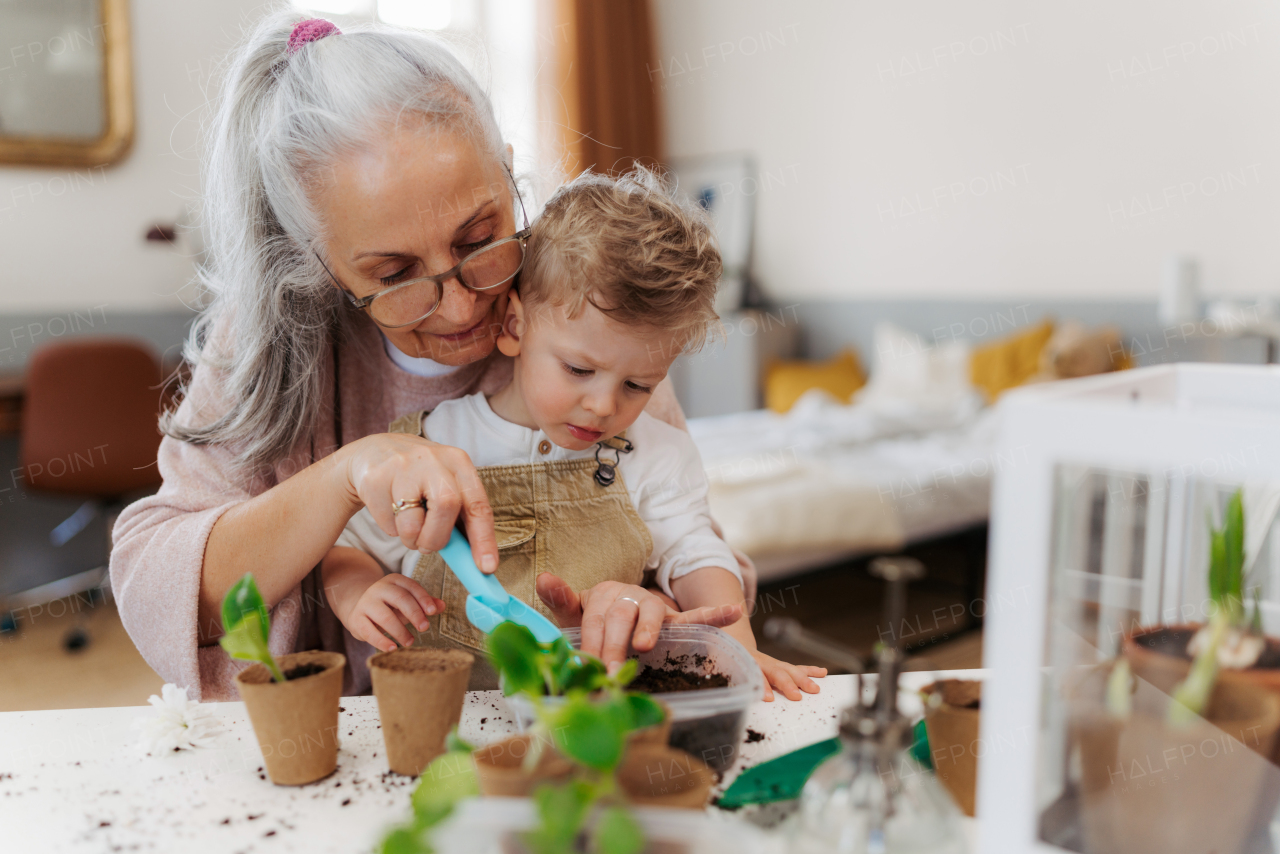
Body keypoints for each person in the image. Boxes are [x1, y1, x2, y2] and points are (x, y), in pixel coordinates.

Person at [109, 12, 756, 701]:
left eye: (480, 238)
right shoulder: (264, 340)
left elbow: (688, 565)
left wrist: (643, 607)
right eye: (393, 276)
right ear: (319, 266)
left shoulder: (587, 316)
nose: (461, 308)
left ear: (509, 176)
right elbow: (164, 585)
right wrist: (346, 478)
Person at [324, 169, 827, 699]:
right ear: (516, 327)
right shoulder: (432, 447)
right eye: (579, 371)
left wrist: (737, 648)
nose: (605, 405)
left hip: (599, 723)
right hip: (450, 725)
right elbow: (345, 546)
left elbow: (697, 552)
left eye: (637, 384)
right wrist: (357, 593)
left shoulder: (655, 453)